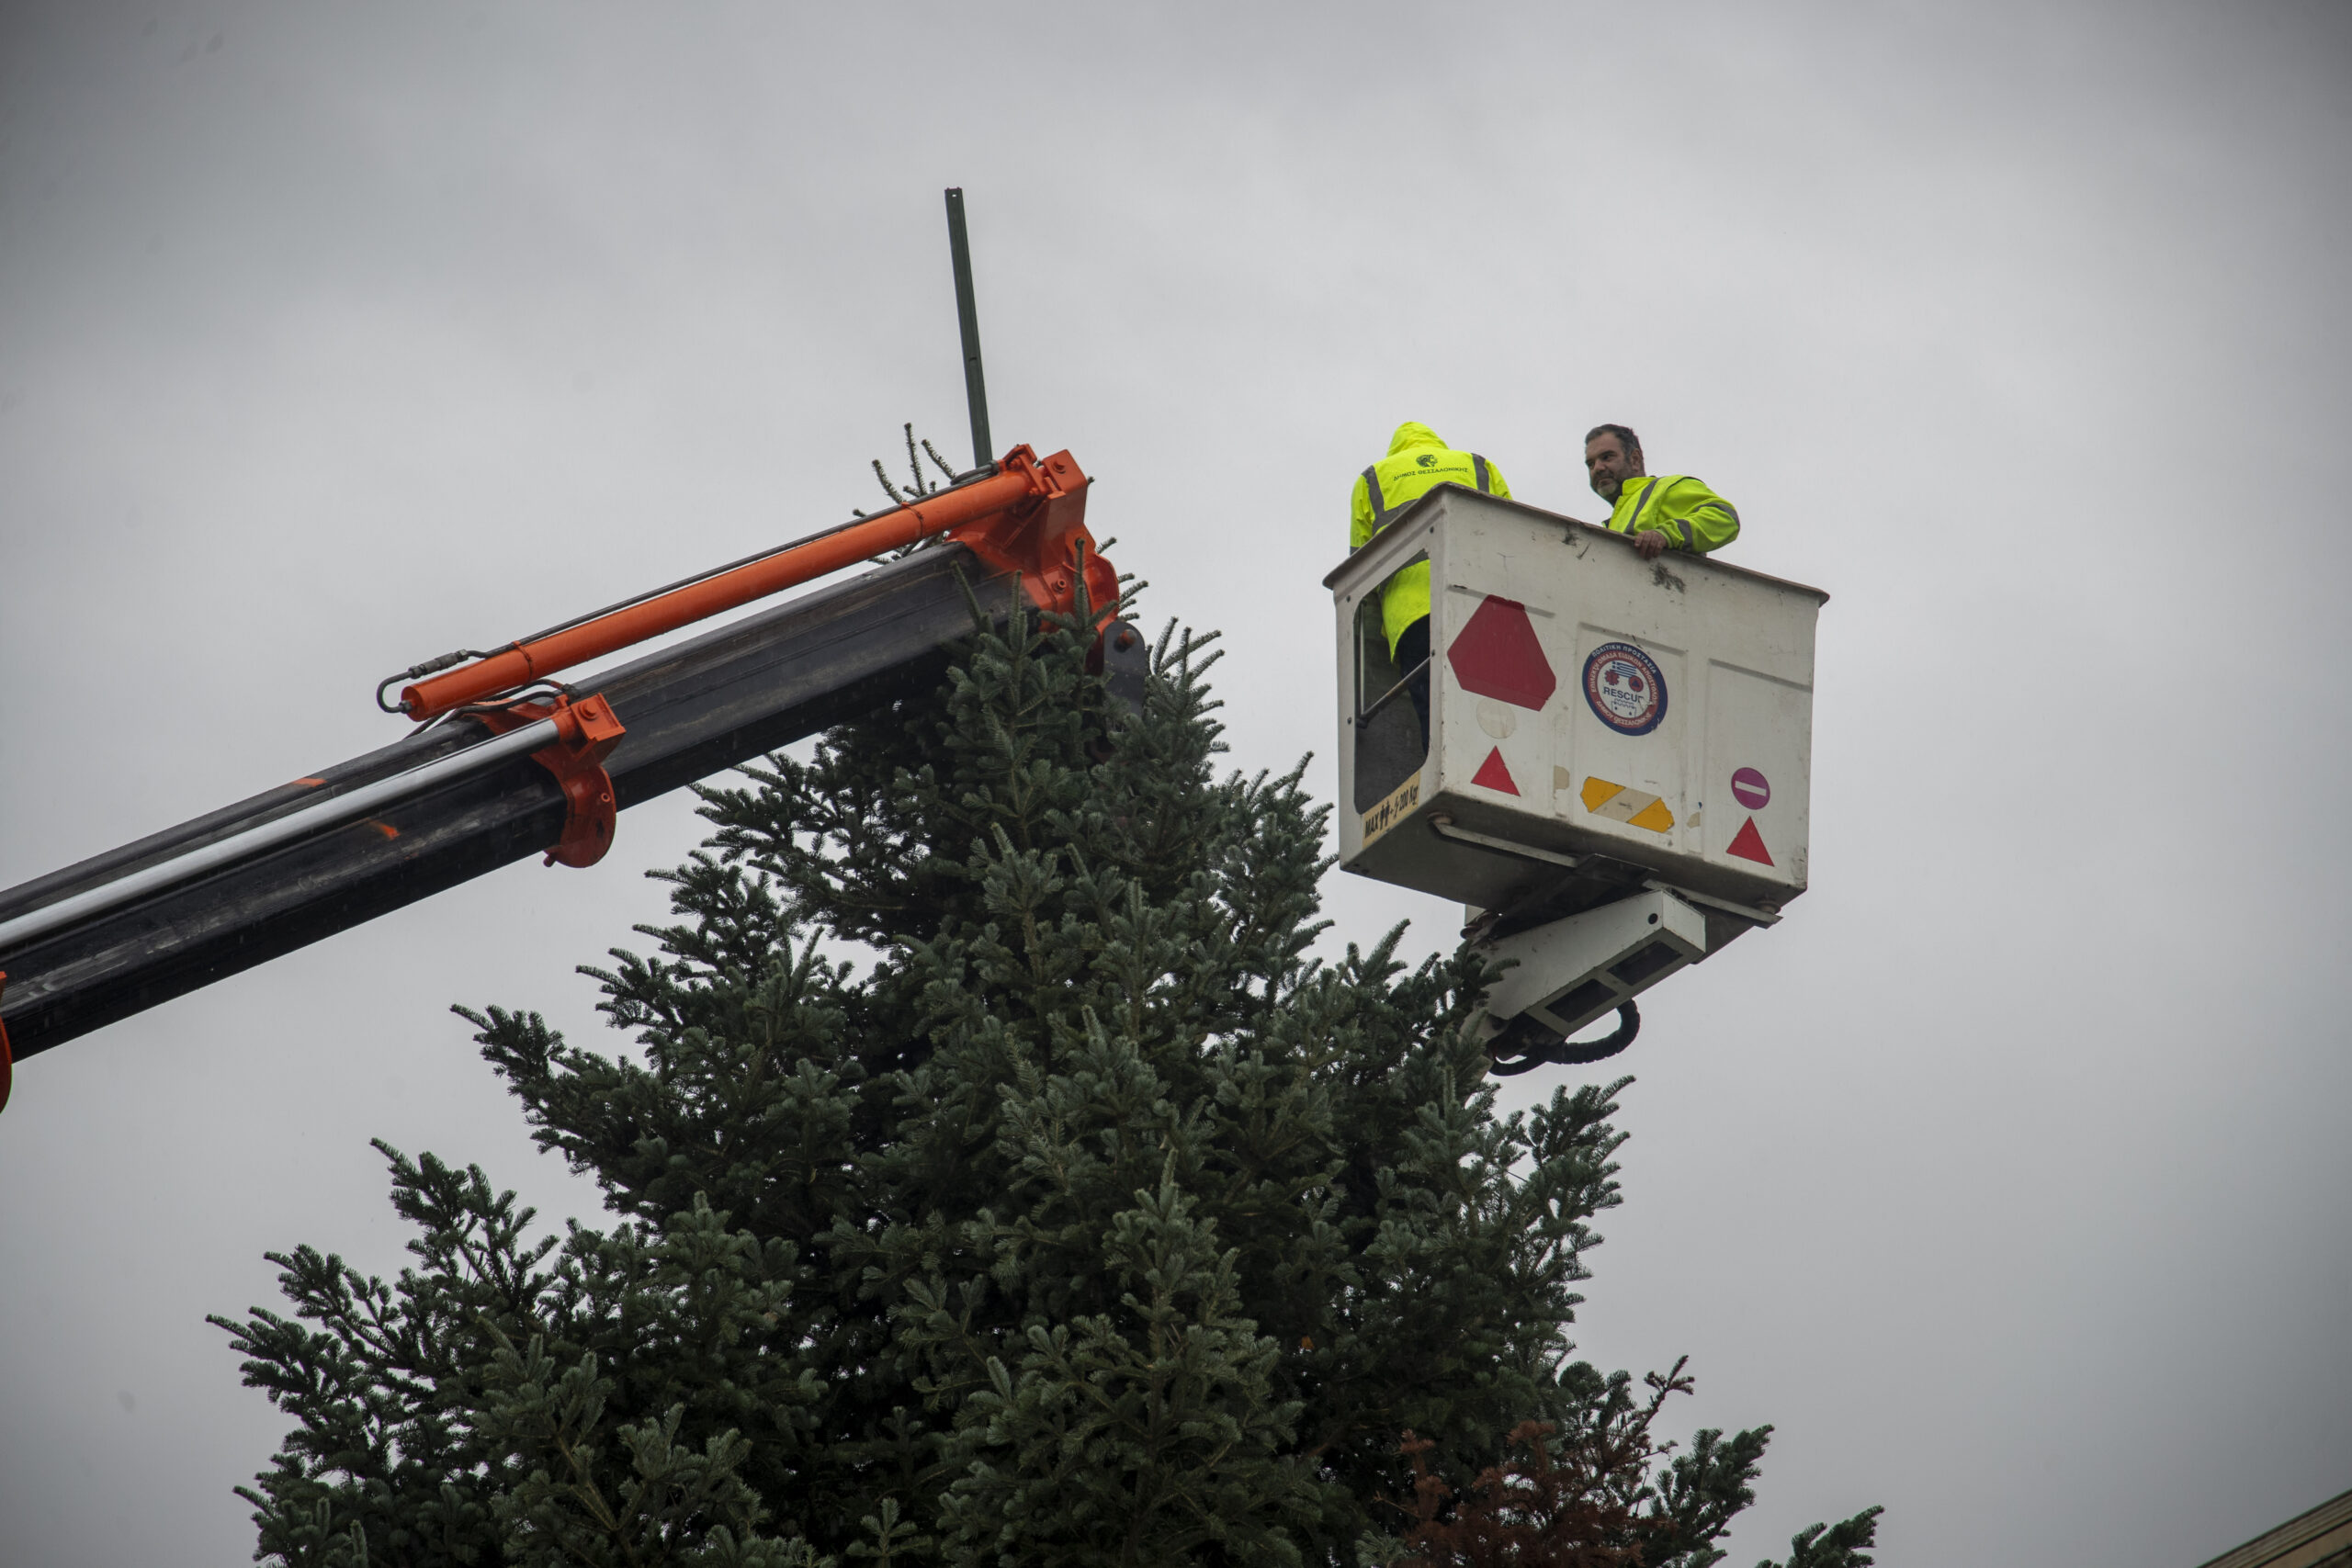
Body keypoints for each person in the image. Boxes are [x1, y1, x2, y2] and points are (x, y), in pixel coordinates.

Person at [1351, 422, 1510, 743]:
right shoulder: (1477, 465)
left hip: (1411, 615)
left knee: (1434, 712)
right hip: (1477, 601)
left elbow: (1358, 571)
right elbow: (1512, 534)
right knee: (1494, 704)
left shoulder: (1373, 479)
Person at [1583, 423, 1739, 560]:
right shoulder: (1615, 520)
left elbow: (1725, 518)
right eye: (1591, 464)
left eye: (1607, 457)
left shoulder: (1666, 487)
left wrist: (1666, 535)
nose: (1597, 468)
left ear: (1635, 460)